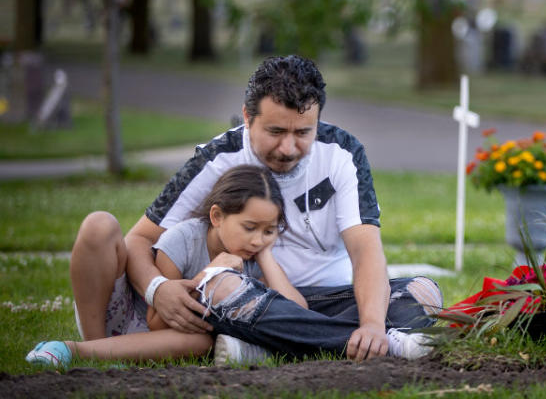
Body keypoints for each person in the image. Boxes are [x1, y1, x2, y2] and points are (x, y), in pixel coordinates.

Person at [64, 55, 441, 364]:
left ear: (318, 120)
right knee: (222, 283)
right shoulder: (218, 158)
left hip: (328, 302)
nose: (289, 147)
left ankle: (264, 347)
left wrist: (373, 322)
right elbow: (141, 239)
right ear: (247, 117)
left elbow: (366, 251)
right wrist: (157, 289)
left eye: (303, 132)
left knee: (424, 293)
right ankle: (375, 344)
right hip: (245, 299)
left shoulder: (344, 153)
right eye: (276, 132)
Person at [27, 164, 306, 366]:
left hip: (173, 340)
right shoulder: (183, 239)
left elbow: (298, 315)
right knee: (99, 223)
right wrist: (209, 274)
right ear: (217, 216)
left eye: (269, 231)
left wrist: (266, 257)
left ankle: (91, 356)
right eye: (249, 227)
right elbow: (157, 321)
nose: (258, 239)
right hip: (123, 318)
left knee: (202, 342)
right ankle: (87, 349)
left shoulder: (253, 256)